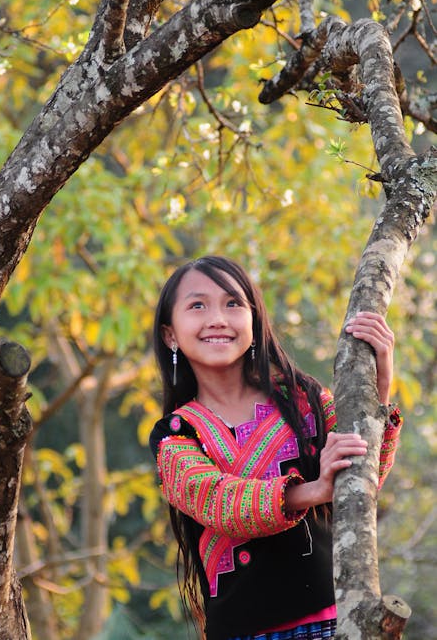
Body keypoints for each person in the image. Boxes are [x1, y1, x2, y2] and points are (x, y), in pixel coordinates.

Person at [149, 256, 402, 640]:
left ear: (253, 320)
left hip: (341, 619)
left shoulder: (303, 398)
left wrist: (378, 386)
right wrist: (312, 490)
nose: (217, 318)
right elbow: (218, 501)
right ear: (170, 334)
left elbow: (362, 479)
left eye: (233, 303)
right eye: (197, 305)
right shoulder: (176, 434)